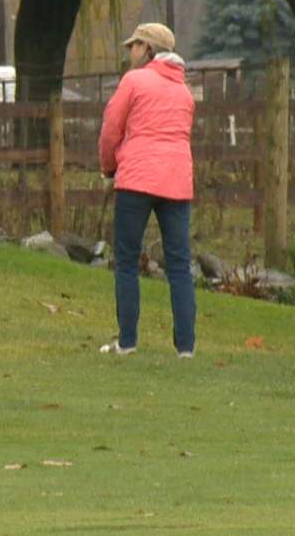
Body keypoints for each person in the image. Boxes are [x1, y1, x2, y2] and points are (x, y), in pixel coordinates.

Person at [97, 22, 196, 357]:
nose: (131, 52)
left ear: (149, 49)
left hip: (137, 179)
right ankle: (186, 348)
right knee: (180, 265)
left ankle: (127, 342)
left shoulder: (134, 81)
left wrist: (109, 167)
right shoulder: (183, 90)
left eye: (135, 45)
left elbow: (112, 128)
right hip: (177, 181)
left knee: (126, 260)